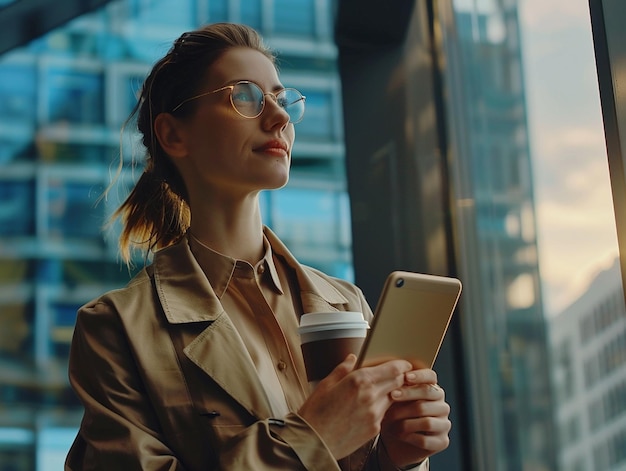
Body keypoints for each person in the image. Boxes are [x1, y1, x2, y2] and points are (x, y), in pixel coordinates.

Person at [65, 22, 451, 471]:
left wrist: (398, 459)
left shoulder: (348, 303)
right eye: (245, 96)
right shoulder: (115, 328)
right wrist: (315, 437)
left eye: (281, 99)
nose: (280, 117)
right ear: (173, 135)